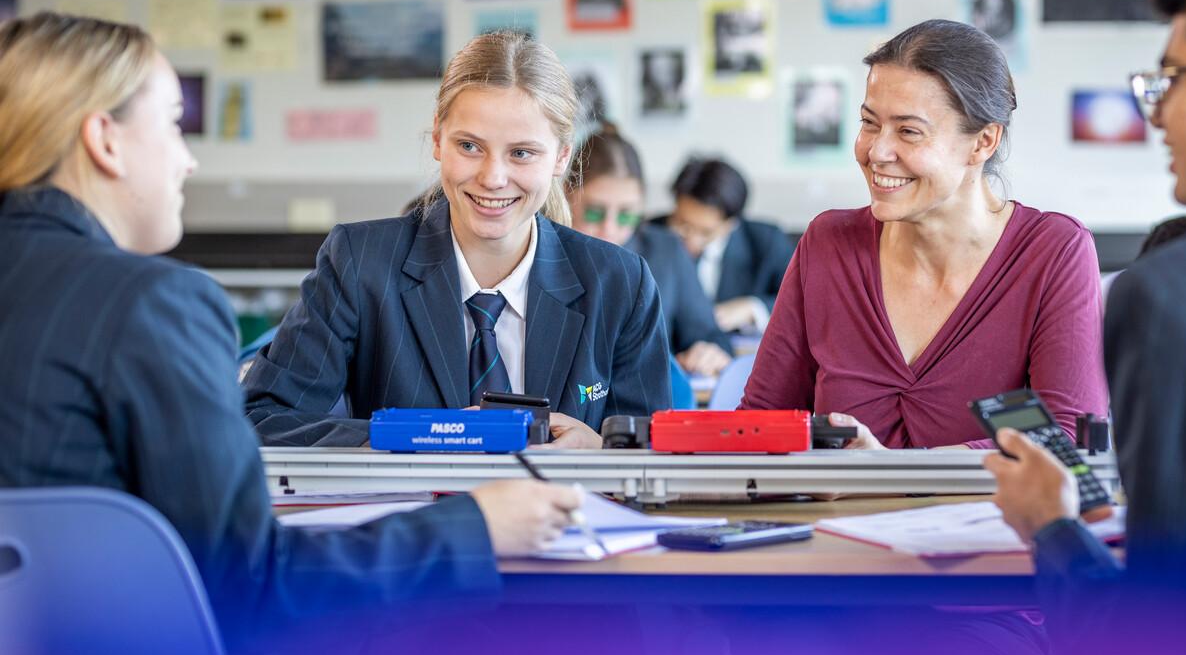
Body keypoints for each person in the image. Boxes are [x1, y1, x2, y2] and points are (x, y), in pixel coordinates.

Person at [0, 13, 580, 655]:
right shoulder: (153, 305)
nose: (189, 159)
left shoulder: (617, 278)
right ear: (105, 140)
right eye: (171, 123)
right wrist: (473, 527)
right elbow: (250, 584)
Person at [243, 32, 671, 449]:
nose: (492, 178)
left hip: (564, 518)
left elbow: (654, 452)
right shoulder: (360, 263)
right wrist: (416, 437)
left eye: (522, 153)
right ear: (437, 140)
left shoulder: (620, 283)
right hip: (415, 519)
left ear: (561, 156)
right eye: (469, 146)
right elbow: (262, 419)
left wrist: (600, 451)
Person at [741, 19, 1108, 448]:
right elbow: (761, 425)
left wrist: (892, 473)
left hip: (987, 517)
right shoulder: (829, 242)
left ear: (983, 142)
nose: (876, 151)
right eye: (869, 123)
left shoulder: (1053, 252)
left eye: (909, 131)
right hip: (836, 517)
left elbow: (1067, 438)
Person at [986, 0, 1186, 655]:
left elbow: (1147, 642)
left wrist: (1051, 525)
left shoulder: (1168, 301)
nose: (1157, 113)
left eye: (1172, 80)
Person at [569, 127, 733, 376]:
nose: (610, 228)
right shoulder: (541, 251)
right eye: (594, 212)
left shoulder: (666, 251)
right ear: (566, 194)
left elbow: (710, 335)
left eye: (626, 215)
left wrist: (708, 352)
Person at [656, 157, 793, 334]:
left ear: (732, 223)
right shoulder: (650, 234)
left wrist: (751, 308)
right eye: (681, 224)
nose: (691, 239)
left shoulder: (766, 241)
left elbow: (800, 301)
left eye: (705, 232)